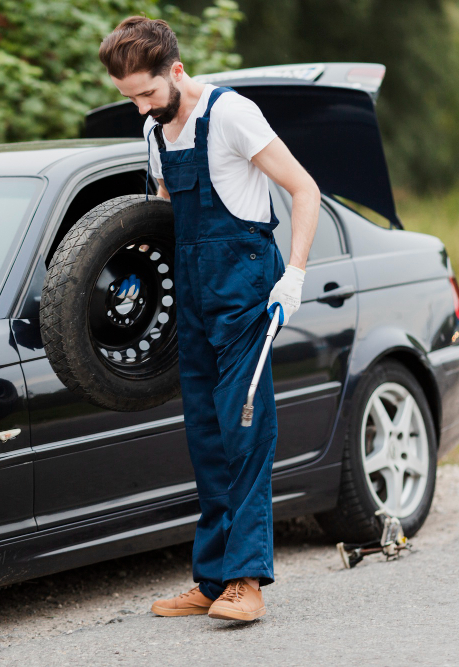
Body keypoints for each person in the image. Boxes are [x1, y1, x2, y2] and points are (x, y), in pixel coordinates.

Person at [98, 17, 319, 621]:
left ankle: (247, 582)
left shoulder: (232, 115)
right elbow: (170, 220)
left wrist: (293, 275)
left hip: (246, 289)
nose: (141, 106)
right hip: (194, 294)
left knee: (244, 428)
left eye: (147, 92)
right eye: (129, 98)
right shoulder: (154, 131)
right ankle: (214, 578)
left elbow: (305, 190)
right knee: (206, 434)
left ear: (175, 70)